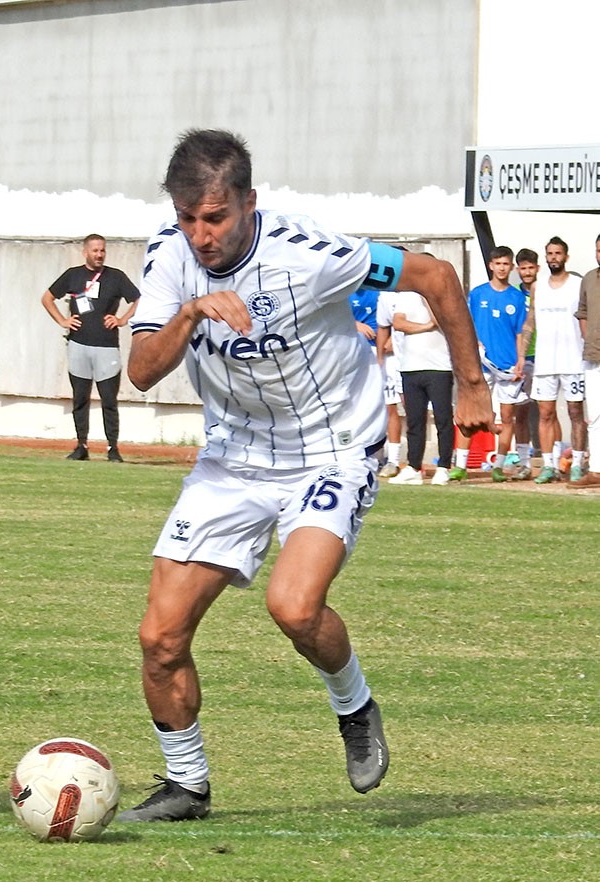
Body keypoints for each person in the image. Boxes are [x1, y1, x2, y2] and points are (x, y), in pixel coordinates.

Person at [118, 129, 491, 822]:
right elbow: (141, 370)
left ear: (248, 203)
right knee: (158, 637)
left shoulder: (310, 254)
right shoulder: (169, 258)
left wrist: (471, 383)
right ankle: (185, 784)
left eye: (215, 218)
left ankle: (353, 707)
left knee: (292, 605)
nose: (200, 235)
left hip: (331, 448)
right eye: (187, 218)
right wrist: (192, 309)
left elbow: (434, 276)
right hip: (232, 458)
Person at [41, 234, 139, 461]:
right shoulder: (73, 276)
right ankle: (81, 445)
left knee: (108, 400)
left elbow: (138, 299)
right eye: (95, 250)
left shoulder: (116, 277)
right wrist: (62, 321)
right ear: (85, 252)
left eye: (102, 250)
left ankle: (112, 448)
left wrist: (122, 320)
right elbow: (47, 298)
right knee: (80, 398)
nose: (99, 255)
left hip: (106, 347)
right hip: (78, 345)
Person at [447, 246, 527, 482]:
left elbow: (521, 332)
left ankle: (498, 466)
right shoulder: (478, 294)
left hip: (508, 364)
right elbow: (466, 324)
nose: (502, 268)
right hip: (480, 364)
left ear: (511, 267)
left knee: (506, 415)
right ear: (491, 265)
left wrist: (521, 359)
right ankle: (460, 464)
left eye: (506, 264)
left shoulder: (516, 298)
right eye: (498, 264)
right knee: (471, 412)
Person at [530, 237, 586, 483]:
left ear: (566, 256)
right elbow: (530, 321)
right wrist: (521, 355)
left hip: (573, 359)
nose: (554, 257)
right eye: (550, 253)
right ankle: (548, 465)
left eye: (558, 253)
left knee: (575, 412)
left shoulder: (578, 284)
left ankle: (577, 462)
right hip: (545, 361)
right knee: (545, 413)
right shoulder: (538, 287)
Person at [387, 290, 457, 486]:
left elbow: (441, 321)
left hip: (439, 367)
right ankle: (413, 467)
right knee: (415, 420)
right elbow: (399, 323)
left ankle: (444, 467)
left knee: (443, 418)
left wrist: (429, 299)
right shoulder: (404, 297)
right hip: (411, 367)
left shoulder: (441, 297)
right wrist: (426, 326)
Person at [571, 233, 600, 486]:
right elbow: (582, 312)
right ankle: (596, 470)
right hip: (593, 356)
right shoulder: (589, 278)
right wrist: (587, 336)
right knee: (595, 416)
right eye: (598, 250)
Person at [512, 248, 541, 480]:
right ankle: (524, 461)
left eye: (531, 267)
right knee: (520, 411)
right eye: (523, 268)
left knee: (548, 410)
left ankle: (555, 459)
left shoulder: (546, 291)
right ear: (517, 269)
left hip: (546, 357)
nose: (527, 272)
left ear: (537, 268)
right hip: (522, 358)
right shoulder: (513, 295)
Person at [374, 290, 405, 477]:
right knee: (387, 408)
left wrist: (395, 339)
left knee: (410, 409)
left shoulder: (413, 292)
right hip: (389, 361)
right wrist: (379, 358)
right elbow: (382, 327)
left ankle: (401, 461)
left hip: (413, 359)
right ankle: (384, 459)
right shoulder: (384, 296)